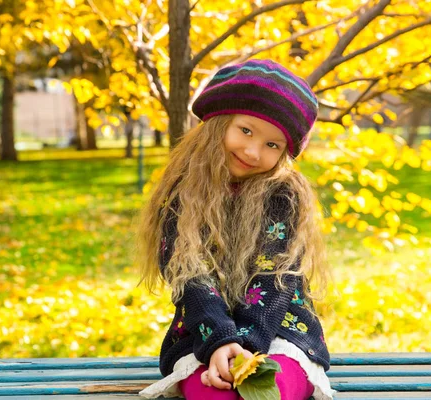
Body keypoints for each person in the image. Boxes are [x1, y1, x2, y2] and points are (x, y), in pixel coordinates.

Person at [137, 59, 336, 400]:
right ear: (219, 123)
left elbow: (274, 279)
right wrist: (220, 341)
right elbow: (190, 277)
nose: (252, 151)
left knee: (269, 390)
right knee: (214, 392)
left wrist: (247, 345)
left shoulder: (283, 194)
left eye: (272, 145)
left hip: (278, 327)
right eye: (245, 130)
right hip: (203, 330)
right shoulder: (182, 192)